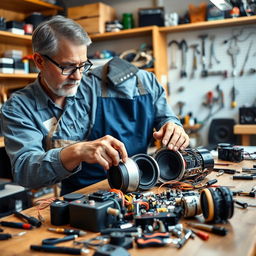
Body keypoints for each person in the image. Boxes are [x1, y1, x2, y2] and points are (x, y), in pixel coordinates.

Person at [0, 16, 189, 195]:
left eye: (83, 65)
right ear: (39, 61)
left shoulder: (96, 83)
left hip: (139, 188)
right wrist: (77, 151)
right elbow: (25, 170)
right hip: (80, 198)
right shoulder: (18, 108)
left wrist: (173, 125)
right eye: (67, 67)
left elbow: (160, 108)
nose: (78, 76)